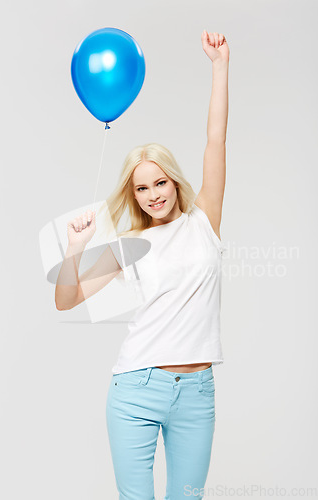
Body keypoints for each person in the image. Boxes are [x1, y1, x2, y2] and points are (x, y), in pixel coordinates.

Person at [55, 30, 229, 500]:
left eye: (160, 183)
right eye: (141, 188)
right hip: (136, 389)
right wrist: (75, 250)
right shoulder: (131, 243)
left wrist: (219, 67)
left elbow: (215, 139)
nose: (153, 195)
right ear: (133, 195)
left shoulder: (204, 223)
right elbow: (66, 300)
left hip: (197, 393)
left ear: (174, 182)